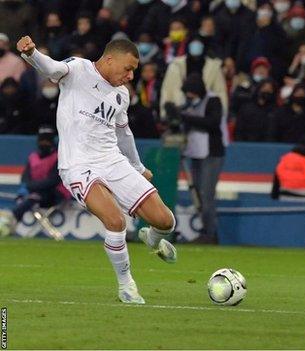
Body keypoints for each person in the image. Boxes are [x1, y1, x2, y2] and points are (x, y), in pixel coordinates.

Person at [18, 36, 178, 304]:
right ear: (109, 59)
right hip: (79, 165)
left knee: (166, 221)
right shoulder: (78, 69)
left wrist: (138, 167)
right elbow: (52, 68)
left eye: (134, 72)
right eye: (127, 69)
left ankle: (151, 239)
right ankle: (126, 286)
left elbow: (123, 133)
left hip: (113, 161)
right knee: (115, 221)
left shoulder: (122, 94)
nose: (129, 76)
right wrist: (32, 53)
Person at [165, 74, 227, 244]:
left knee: (207, 194)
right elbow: (179, 121)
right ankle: (205, 229)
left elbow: (212, 122)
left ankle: (210, 232)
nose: (189, 95)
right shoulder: (190, 104)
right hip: (195, 153)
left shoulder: (213, 101)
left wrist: (183, 116)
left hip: (211, 153)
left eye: (191, 92)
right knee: (198, 194)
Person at [4, 126, 71, 230]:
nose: (44, 143)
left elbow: (53, 181)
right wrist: (29, 187)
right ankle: (11, 221)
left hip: (56, 194)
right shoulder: (33, 157)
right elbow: (25, 178)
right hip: (36, 193)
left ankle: (11, 217)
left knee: (34, 196)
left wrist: (32, 186)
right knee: (25, 196)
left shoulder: (59, 157)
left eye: (47, 141)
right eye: (42, 140)